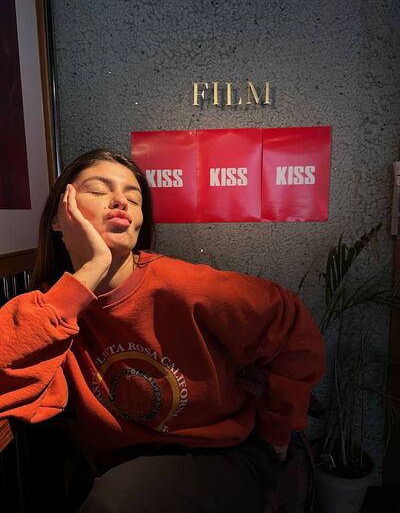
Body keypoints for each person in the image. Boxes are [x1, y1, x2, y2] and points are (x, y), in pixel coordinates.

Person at [0, 149, 324, 512]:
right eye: (98, 190)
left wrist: (277, 431)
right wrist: (91, 270)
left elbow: (293, 327)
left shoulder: (185, 287)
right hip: (129, 466)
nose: (120, 200)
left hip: (222, 452)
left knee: (113, 502)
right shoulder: (55, 307)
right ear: (59, 217)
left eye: (134, 197)